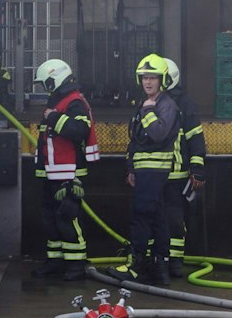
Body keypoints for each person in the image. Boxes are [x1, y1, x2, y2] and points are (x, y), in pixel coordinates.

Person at [114, 53, 183, 285]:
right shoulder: (146, 104)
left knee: (141, 216)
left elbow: (158, 133)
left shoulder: (166, 105)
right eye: (145, 77)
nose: (148, 82)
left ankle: (135, 267)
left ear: (162, 80)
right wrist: (131, 168)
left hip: (155, 171)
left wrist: (148, 112)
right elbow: (135, 140)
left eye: (153, 77)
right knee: (157, 218)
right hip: (143, 170)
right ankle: (159, 269)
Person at [30, 59, 98, 281]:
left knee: (68, 218)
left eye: (46, 83)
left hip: (68, 173)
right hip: (53, 172)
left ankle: (76, 265)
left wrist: (53, 117)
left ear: (55, 79)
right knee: (50, 219)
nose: (45, 88)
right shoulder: (59, 100)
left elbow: (78, 130)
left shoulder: (75, 102)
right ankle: (55, 261)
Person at [158, 57, 207, 278]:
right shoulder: (151, 101)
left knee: (175, 219)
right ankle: (157, 259)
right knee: (154, 217)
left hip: (176, 174)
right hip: (154, 173)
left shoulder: (185, 104)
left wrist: (197, 169)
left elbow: (195, 138)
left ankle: (175, 261)